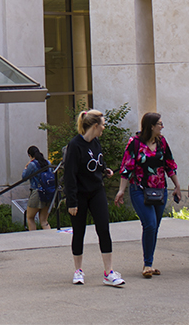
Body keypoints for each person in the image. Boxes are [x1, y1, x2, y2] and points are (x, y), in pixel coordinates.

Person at [114, 111, 182, 278]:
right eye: (160, 124)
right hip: (139, 189)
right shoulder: (135, 143)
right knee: (150, 224)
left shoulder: (162, 142)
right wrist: (121, 190)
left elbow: (169, 165)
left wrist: (177, 186)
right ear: (151, 126)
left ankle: (149, 262)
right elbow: (126, 168)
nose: (162, 126)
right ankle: (147, 264)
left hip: (160, 190)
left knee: (154, 227)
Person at [64, 109, 124, 287]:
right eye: (102, 126)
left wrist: (104, 169)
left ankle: (108, 272)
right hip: (80, 194)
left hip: (96, 191)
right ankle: (78, 270)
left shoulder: (96, 142)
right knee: (79, 231)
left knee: (104, 229)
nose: (103, 129)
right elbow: (70, 175)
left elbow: (97, 161)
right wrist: (72, 201)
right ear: (95, 126)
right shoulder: (74, 145)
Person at [21, 145, 54, 230]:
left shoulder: (32, 164)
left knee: (30, 218)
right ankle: (51, 240)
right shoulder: (48, 163)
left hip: (37, 193)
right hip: (48, 193)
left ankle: (34, 240)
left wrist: (25, 167)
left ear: (30, 155)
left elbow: (24, 177)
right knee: (44, 221)